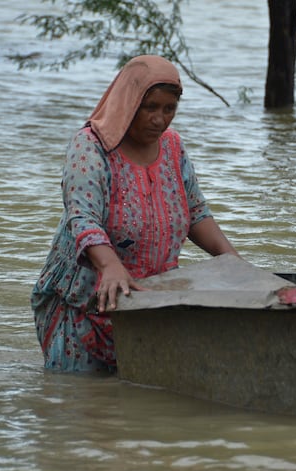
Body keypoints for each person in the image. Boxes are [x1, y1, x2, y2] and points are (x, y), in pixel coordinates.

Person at [31, 55, 238, 373]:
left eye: (169, 109)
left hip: (146, 306)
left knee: (136, 400)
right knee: (79, 404)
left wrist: (233, 263)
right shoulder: (91, 146)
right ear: (129, 102)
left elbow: (195, 211)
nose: (160, 119)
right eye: (150, 107)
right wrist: (110, 267)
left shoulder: (172, 147)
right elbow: (83, 217)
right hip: (82, 303)